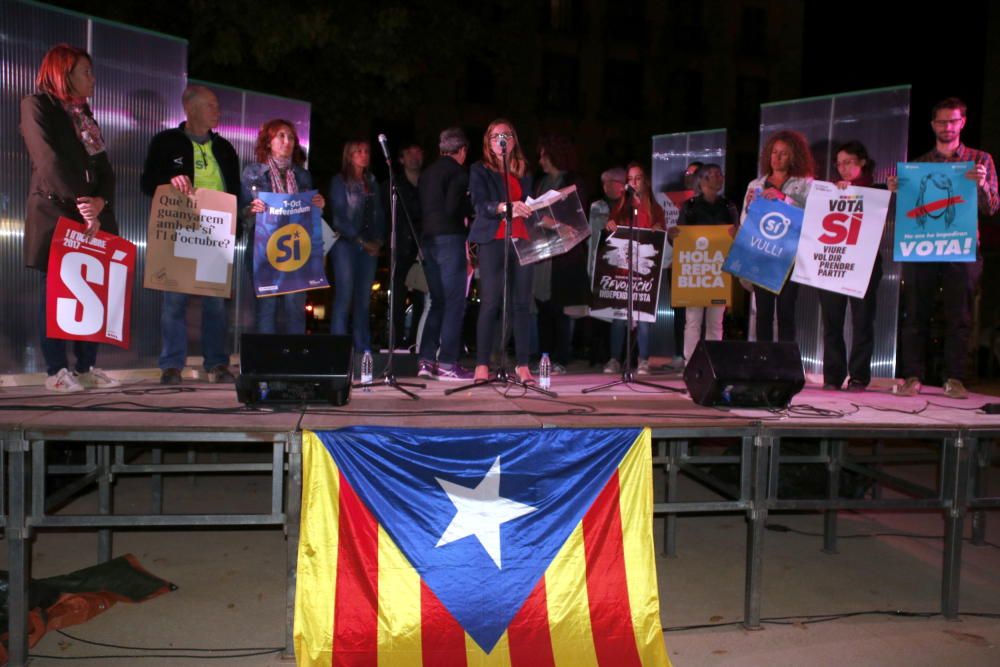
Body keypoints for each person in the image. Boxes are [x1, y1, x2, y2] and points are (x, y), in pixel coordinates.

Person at [20, 43, 121, 392]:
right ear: (64, 73)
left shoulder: (84, 114)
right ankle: (56, 371)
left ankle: (86, 367)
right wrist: (84, 204)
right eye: (86, 72)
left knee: (91, 289)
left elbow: (105, 168)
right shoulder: (37, 106)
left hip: (92, 214)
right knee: (59, 292)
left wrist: (100, 202)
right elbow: (48, 160)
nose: (92, 79)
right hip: (57, 212)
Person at [889, 98, 999, 399]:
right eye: (941, 122)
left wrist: (982, 184)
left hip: (962, 246)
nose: (947, 127)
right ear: (933, 125)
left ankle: (955, 378)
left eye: (953, 121)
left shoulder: (980, 160)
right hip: (921, 247)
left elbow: (991, 208)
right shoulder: (919, 164)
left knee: (959, 315)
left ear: (962, 122)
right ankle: (912, 376)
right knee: (915, 312)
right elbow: (901, 215)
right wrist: (896, 192)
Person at [141, 85, 240, 385]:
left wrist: (238, 224)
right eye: (211, 105)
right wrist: (171, 180)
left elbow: (235, 191)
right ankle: (171, 365)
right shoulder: (166, 142)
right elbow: (148, 183)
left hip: (215, 233)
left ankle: (217, 364)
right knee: (174, 300)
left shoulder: (225, 148)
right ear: (191, 108)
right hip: (179, 230)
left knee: (215, 304)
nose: (217, 111)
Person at [241, 119, 325, 334]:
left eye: (290, 137)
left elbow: (308, 215)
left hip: (295, 249)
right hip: (263, 247)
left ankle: (294, 362)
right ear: (268, 142)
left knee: (294, 306)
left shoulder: (302, 175)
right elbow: (240, 211)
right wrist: (251, 209)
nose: (287, 141)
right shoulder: (252, 173)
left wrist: (318, 205)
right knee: (266, 307)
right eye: (281, 135)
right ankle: (266, 363)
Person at [468, 119, 535, 383]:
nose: (501, 139)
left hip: (522, 238)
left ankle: (523, 365)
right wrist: (505, 207)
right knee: (491, 302)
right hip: (493, 238)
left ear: (514, 139)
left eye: (506, 134)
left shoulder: (524, 169)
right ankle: (482, 364)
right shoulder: (480, 169)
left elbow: (529, 202)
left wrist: (540, 205)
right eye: (496, 136)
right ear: (488, 142)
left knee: (521, 304)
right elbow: (480, 204)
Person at [819, 142, 882, 392]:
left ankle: (858, 375)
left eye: (849, 162)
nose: (843, 168)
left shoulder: (877, 191)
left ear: (862, 162)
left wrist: (854, 192)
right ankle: (832, 376)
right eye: (839, 163)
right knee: (831, 321)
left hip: (864, 264)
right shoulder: (830, 191)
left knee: (863, 321)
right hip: (833, 262)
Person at [740, 130, 814, 343]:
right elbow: (746, 222)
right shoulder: (755, 184)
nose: (777, 158)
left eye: (783, 153)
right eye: (774, 152)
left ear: (794, 156)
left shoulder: (805, 184)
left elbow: (811, 216)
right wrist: (748, 205)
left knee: (786, 312)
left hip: (789, 255)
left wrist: (785, 198)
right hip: (762, 252)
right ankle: (763, 360)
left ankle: (784, 365)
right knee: (762, 313)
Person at [416, 127, 474, 381]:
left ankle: (426, 360)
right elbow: (453, 208)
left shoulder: (427, 173)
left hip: (427, 240)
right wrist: (469, 206)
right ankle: (448, 362)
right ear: (462, 151)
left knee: (437, 302)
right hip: (450, 239)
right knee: (454, 303)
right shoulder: (459, 172)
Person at [533, 134, 589, 374]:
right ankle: (544, 356)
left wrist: (549, 221)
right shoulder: (541, 182)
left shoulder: (573, 180)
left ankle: (561, 358)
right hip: (543, 255)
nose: (541, 160)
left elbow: (575, 215)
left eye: (544, 155)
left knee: (560, 309)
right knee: (543, 307)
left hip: (564, 256)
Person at [670, 164, 738, 361]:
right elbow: (679, 237)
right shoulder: (690, 206)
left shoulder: (728, 206)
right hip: (696, 271)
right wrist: (672, 235)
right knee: (693, 320)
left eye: (720, 175)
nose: (719, 178)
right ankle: (690, 362)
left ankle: (712, 362)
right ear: (703, 180)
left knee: (716, 321)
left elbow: (738, 236)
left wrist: (736, 234)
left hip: (719, 271)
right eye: (714, 175)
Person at [604, 162, 666, 376]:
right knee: (620, 317)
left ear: (646, 181)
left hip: (644, 270)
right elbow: (611, 228)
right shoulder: (622, 205)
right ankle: (614, 359)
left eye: (638, 178)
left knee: (643, 316)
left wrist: (658, 229)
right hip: (623, 269)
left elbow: (660, 231)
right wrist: (610, 225)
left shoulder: (654, 207)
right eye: (630, 179)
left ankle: (643, 359)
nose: (634, 183)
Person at [328, 140, 385, 356]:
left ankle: (363, 348)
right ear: (349, 156)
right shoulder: (340, 181)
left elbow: (379, 213)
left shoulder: (372, 181)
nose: (364, 155)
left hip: (368, 245)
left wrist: (378, 241)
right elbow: (339, 218)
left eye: (366, 151)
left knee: (363, 298)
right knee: (345, 295)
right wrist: (362, 241)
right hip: (346, 244)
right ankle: (337, 350)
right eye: (358, 152)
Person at [387, 142, 424, 350]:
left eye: (418, 152)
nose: (415, 156)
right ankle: (396, 341)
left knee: (421, 296)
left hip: (421, 247)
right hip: (400, 247)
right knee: (398, 295)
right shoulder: (395, 184)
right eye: (410, 152)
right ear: (401, 159)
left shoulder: (427, 183)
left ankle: (415, 342)